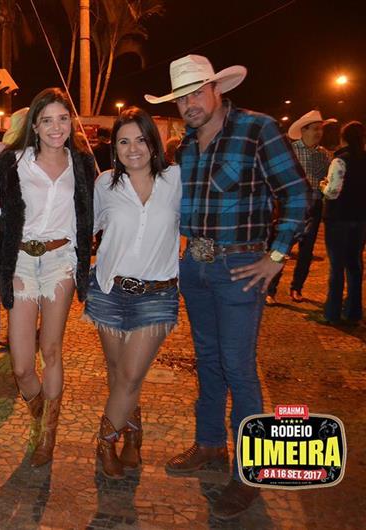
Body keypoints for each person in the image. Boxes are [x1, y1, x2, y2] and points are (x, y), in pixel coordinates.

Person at [145, 55, 308, 519]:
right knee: (209, 360)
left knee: (239, 366)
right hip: (195, 267)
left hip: (239, 266)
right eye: (181, 98)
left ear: (217, 90)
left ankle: (252, 471)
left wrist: (275, 256)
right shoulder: (187, 145)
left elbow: (298, 193)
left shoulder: (257, 129)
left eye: (196, 92)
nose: (189, 104)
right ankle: (211, 443)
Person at [0, 88, 95, 467]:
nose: (56, 127)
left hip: (60, 260)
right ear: (34, 125)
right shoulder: (12, 162)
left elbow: (95, 209)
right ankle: (40, 410)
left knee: (51, 349)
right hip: (20, 260)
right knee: (21, 365)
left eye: (63, 119)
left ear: (71, 123)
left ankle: (47, 433)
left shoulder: (82, 164)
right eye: (47, 120)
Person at [83, 107, 181, 479]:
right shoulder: (105, 184)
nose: (133, 148)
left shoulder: (176, 180)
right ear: (115, 148)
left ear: (153, 143)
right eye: (124, 142)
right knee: (119, 373)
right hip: (109, 290)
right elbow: (85, 228)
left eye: (140, 140)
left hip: (157, 295)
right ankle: (133, 436)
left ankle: (105, 441)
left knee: (130, 374)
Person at [267, 110, 336, 304]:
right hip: (291, 207)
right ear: (303, 130)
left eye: (320, 129)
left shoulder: (324, 155)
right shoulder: (290, 151)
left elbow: (328, 180)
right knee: (281, 249)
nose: (318, 133)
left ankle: (296, 288)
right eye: (315, 129)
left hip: (314, 207)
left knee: (306, 252)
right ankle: (270, 289)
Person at [319, 121, 366, 325]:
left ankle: (332, 313)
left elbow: (332, 192)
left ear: (343, 138)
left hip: (339, 219)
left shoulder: (340, 160)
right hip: (361, 219)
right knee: (355, 265)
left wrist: (323, 186)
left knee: (337, 266)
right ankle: (354, 312)